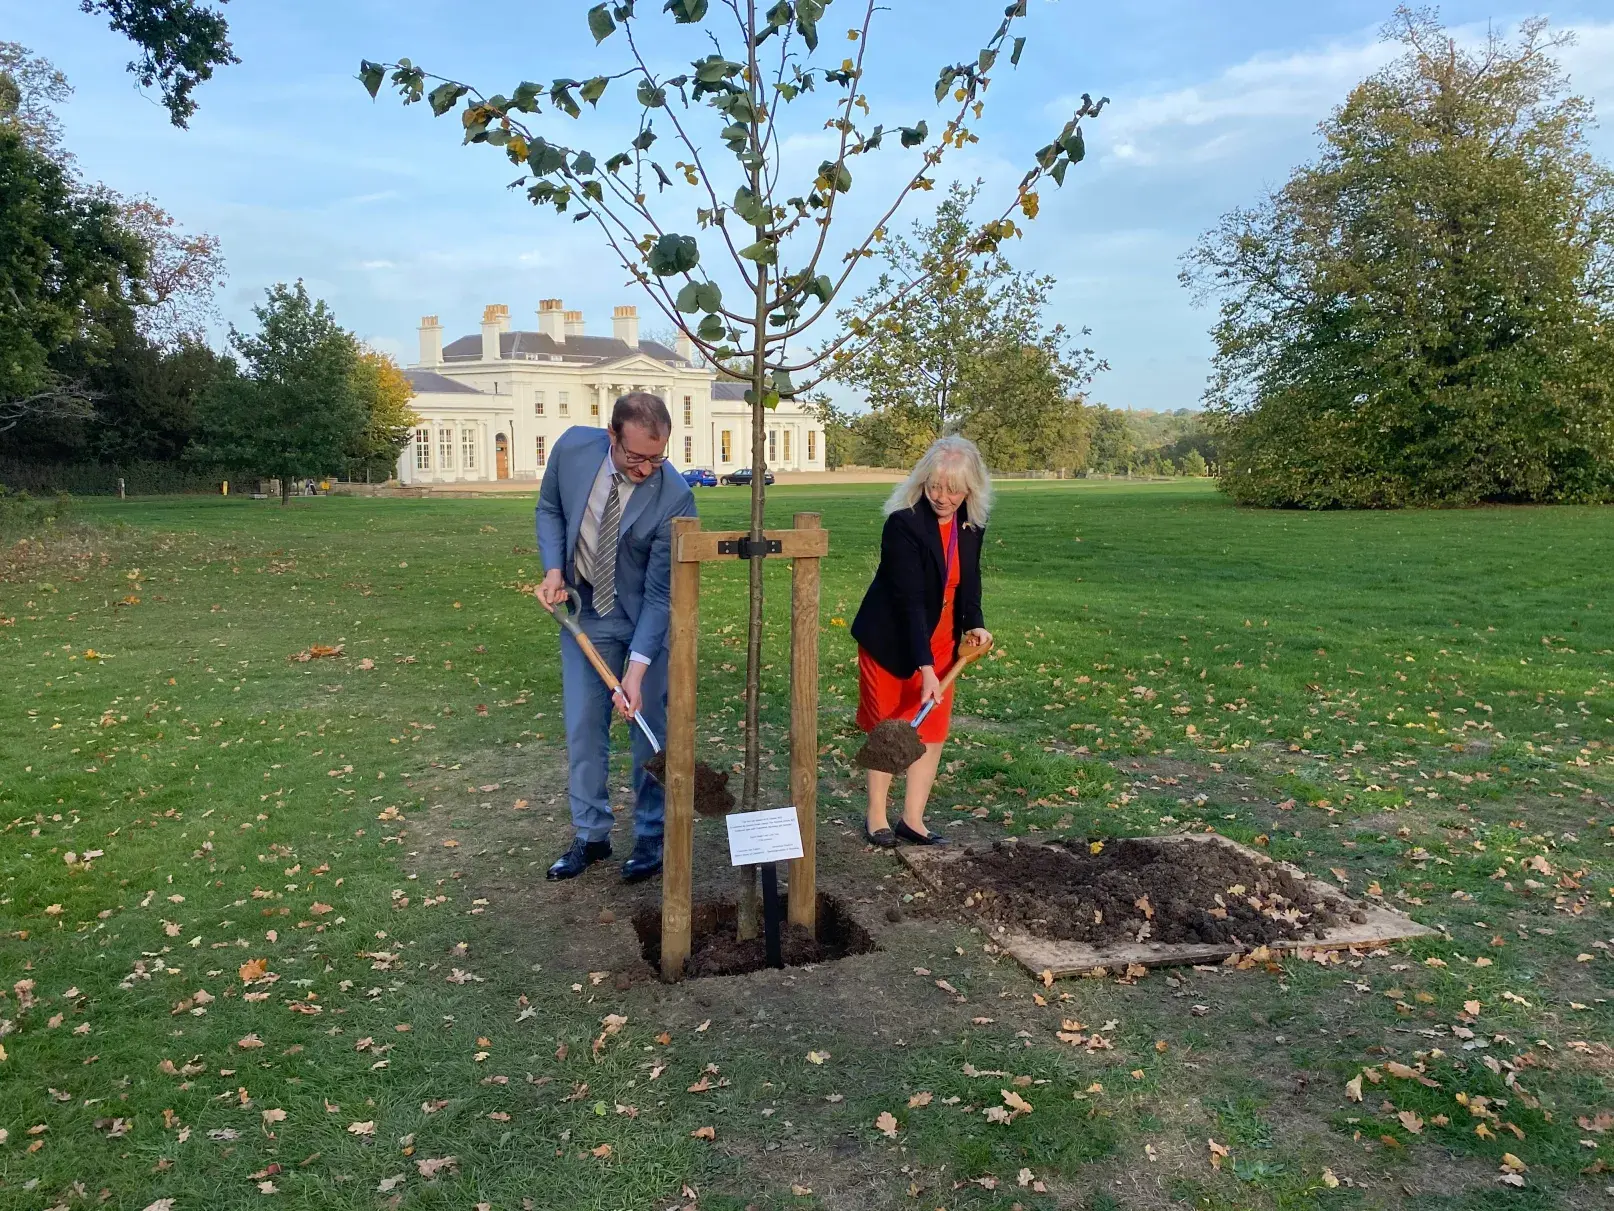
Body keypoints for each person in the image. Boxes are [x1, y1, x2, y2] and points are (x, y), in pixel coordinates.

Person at [534, 393, 696, 881]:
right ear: (612, 436)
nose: (647, 468)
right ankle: (591, 835)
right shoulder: (571, 449)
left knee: (648, 730)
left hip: (643, 618)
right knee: (584, 728)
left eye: (658, 456)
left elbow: (659, 594)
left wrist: (637, 670)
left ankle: (650, 836)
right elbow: (549, 509)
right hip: (586, 615)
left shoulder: (676, 496)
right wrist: (554, 570)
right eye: (636, 457)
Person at [850, 435, 994, 847]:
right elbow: (909, 601)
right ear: (922, 481)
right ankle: (876, 816)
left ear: (970, 489)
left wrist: (976, 623)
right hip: (892, 644)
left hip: (942, 642)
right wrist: (926, 668)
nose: (942, 497)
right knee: (889, 730)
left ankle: (913, 819)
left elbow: (970, 582)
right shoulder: (904, 523)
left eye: (952, 489)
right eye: (935, 486)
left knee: (930, 732)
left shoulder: (971, 525)